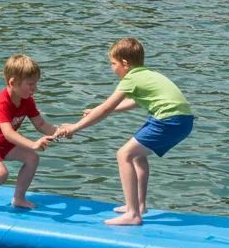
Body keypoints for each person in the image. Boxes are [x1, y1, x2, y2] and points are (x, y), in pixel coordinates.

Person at [56, 38, 193, 227]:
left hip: (168, 120)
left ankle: (132, 214)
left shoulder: (131, 78)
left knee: (124, 154)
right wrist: (99, 110)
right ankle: (140, 206)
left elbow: (105, 108)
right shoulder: (147, 74)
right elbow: (135, 102)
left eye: (113, 64)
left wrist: (75, 127)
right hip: (182, 120)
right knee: (137, 156)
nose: (112, 68)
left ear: (125, 63)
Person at [0, 54, 58, 214]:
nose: (35, 89)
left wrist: (61, 131)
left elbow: (41, 124)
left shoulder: (27, 100)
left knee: (32, 158)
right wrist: (33, 144)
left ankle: (19, 198)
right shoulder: (1, 102)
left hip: (3, 142)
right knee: (1, 174)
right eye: (30, 84)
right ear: (12, 83)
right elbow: (8, 133)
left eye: (36, 84)